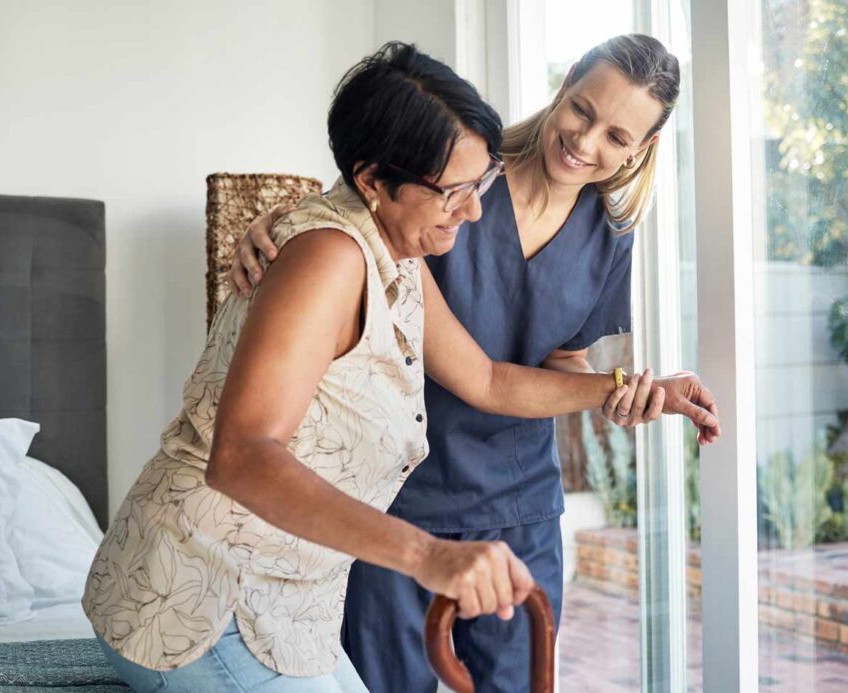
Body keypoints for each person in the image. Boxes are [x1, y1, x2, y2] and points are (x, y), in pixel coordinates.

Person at [84, 41, 719, 693]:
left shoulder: (409, 254)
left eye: (616, 135)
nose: (475, 209)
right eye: (459, 191)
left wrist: (628, 389)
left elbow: (487, 378)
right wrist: (427, 553)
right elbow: (242, 454)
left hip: (304, 588)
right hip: (208, 591)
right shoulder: (338, 251)